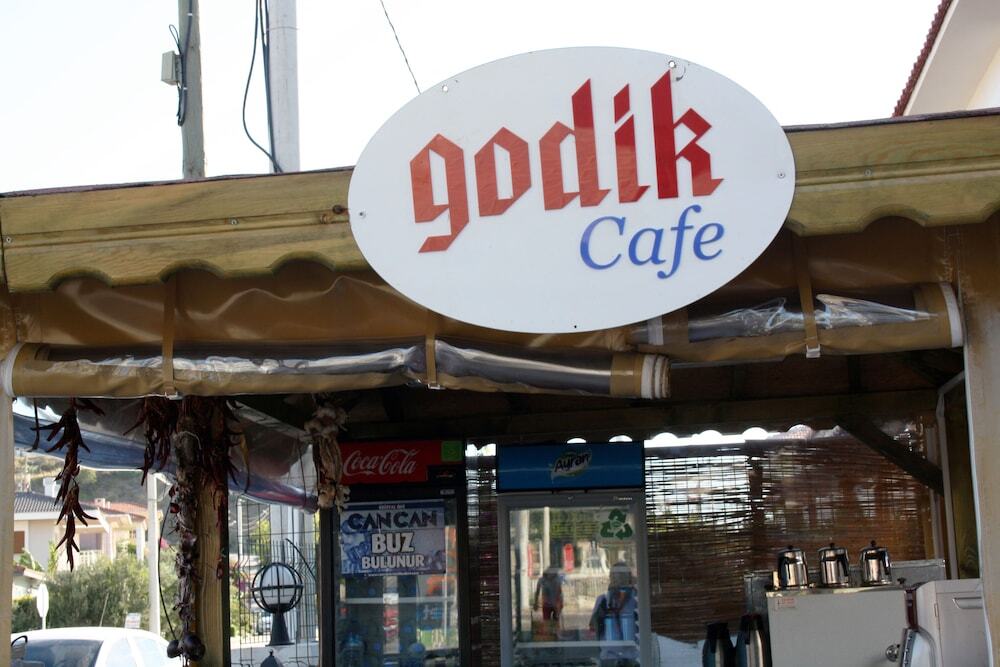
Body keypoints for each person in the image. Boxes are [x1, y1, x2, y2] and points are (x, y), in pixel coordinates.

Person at [589, 562, 640, 667]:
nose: (619, 579)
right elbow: (594, 627)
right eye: (616, 575)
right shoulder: (603, 600)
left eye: (621, 575)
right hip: (611, 657)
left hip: (630, 657)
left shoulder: (636, 599)